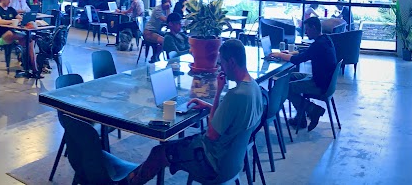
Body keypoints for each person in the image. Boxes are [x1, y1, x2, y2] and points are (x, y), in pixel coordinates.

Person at [120, 40, 264, 184]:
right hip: (231, 161)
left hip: (212, 162)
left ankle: (128, 182)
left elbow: (212, 134)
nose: (221, 68)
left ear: (231, 62)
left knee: (158, 153)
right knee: (167, 149)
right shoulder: (254, 88)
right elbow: (233, 117)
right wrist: (209, 106)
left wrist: (219, 91)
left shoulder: (235, 95)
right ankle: (128, 178)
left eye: (223, 63)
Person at [271, 17, 337, 131]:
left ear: (314, 28)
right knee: (290, 77)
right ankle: (300, 118)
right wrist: (290, 53)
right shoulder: (325, 39)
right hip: (325, 80)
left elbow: (298, 60)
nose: (305, 32)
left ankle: (312, 109)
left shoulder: (319, 44)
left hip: (319, 84)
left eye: (307, 29)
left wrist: (279, 55)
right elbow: (307, 52)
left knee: (287, 88)